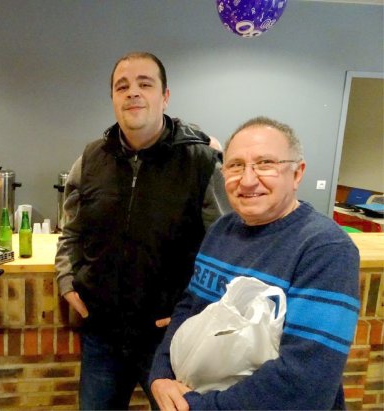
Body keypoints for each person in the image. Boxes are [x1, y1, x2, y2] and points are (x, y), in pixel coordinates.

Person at [55, 51, 230, 410]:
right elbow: (71, 230)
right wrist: (66, 280)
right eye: (122, 87)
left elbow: (225, 247)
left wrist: (197, 307)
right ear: (113, 98)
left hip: (170, 337)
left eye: (145, 84)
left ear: (165, 96)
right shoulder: (89, 159)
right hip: (102, 333)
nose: (132, 92)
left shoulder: (202, 163)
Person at [149, 116, 360, 410]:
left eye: (265, 163)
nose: (247, 180)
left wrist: (195, 406)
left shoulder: (326, 249)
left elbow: (306, 385)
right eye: (235, 166)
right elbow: (189, 307)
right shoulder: (221, 230)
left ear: (297, 173)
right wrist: (160, 375)